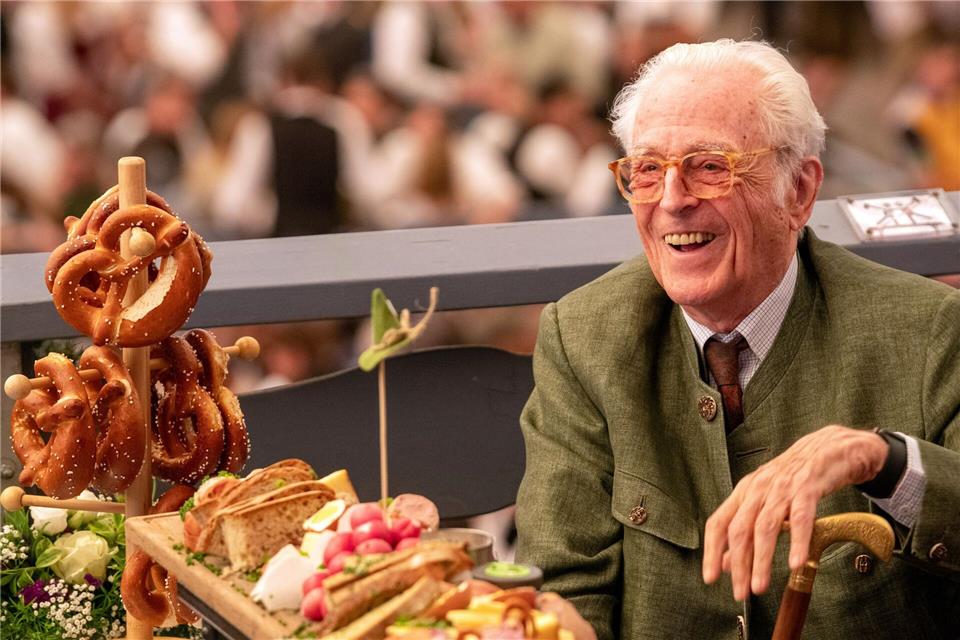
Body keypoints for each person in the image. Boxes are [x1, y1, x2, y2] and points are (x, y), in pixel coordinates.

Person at [515, 39, 960, 640]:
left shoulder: (929, 329)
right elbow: (564, 589)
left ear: (799, 192)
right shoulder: (584, 338)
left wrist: (883, 461)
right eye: (647, 170)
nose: (672, 201)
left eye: (710, 166)